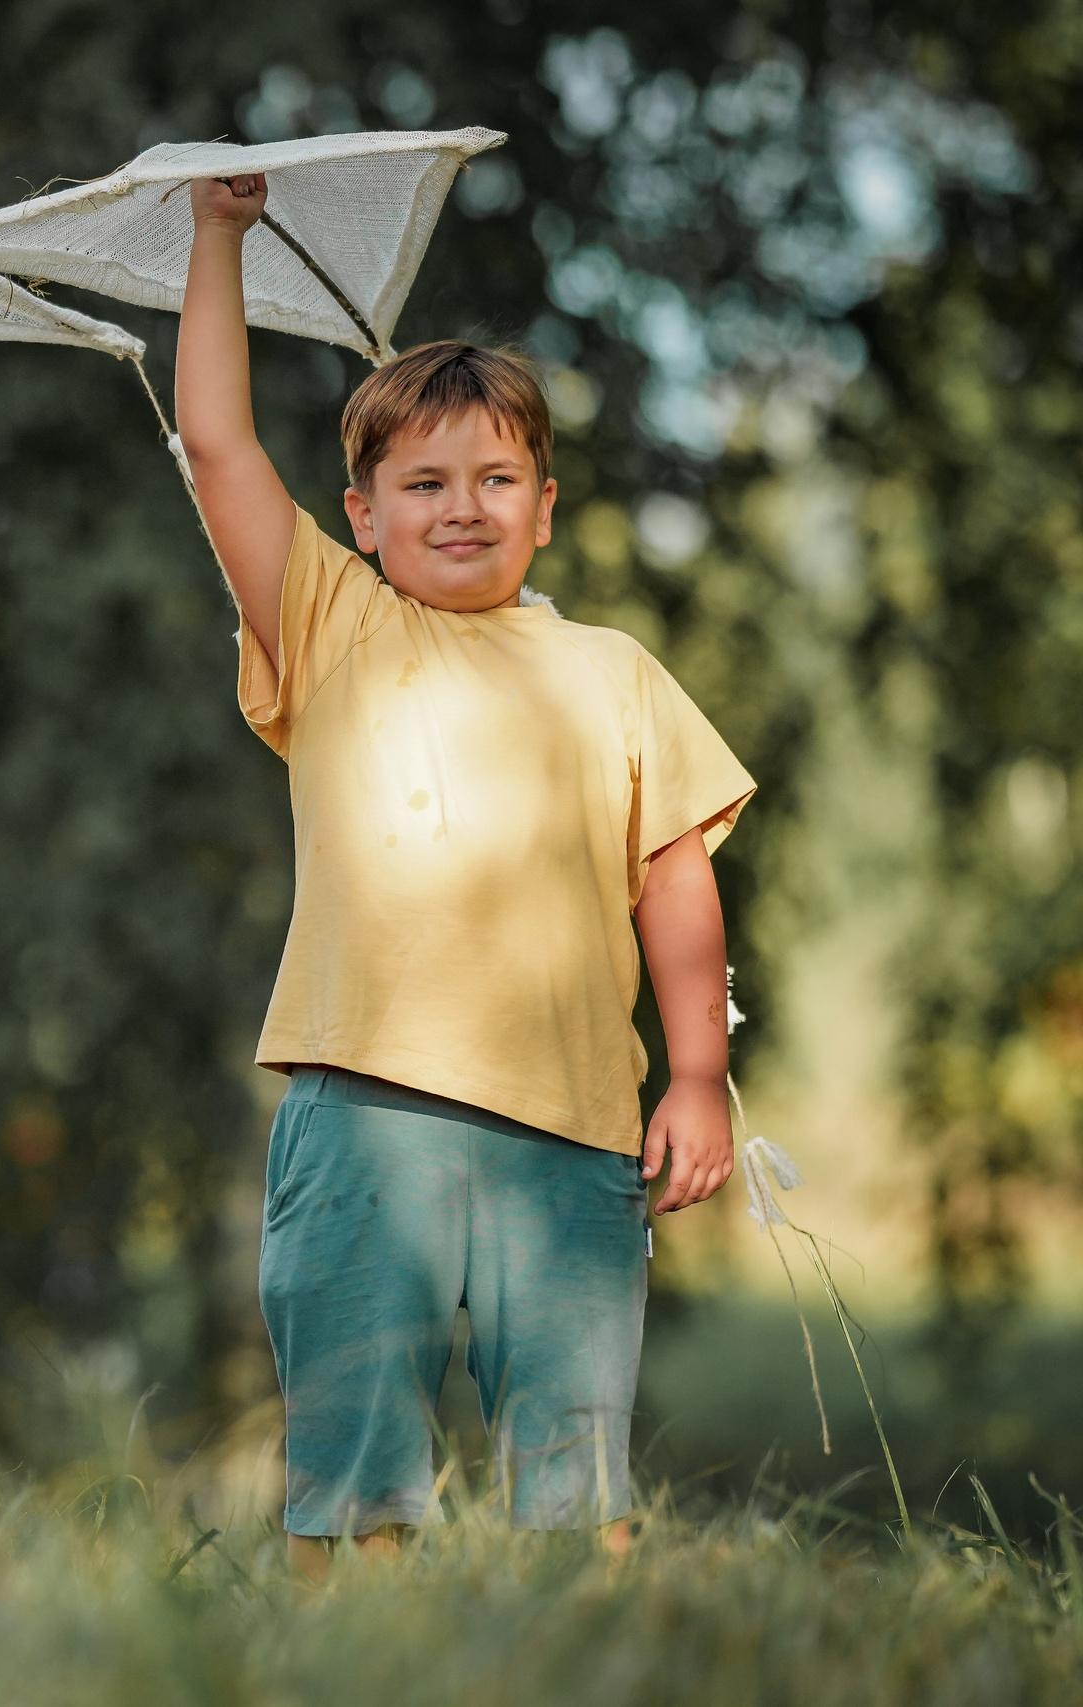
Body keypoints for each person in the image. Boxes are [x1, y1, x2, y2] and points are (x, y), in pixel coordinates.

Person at [177, 174, 754, 1566]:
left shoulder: (612, 670)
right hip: (363, 1113)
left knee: (577, 1479)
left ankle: (577, 1654)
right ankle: (350, 1658)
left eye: (496, 480)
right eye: (423, 483)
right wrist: (216, 239)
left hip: (567, 1134)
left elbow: (674, 875)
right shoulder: (331, 626)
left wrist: (693, 1074)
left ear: (545, 508)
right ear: (361, 513)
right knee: (353, 1466)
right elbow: (212, 440)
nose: (461, 507)